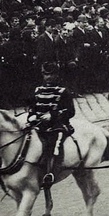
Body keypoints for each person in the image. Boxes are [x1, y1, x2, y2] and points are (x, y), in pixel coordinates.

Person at [28, 61, 75, 190]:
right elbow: (32, 108)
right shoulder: (38, 91)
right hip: (38, 125)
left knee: (54, 143)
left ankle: (51, 173)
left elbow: (70, 111)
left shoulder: (63, 92)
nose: (48, 78)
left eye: (51, 75)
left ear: (56, 75)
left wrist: (53, 115)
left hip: (57, 125)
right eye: (45, 75)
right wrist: (32, 116)